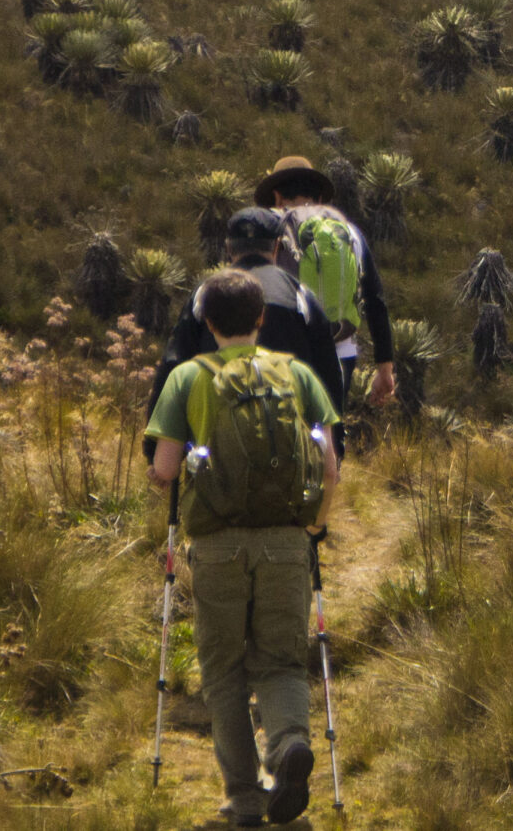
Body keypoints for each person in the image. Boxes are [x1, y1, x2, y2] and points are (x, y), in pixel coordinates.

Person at [147, 267, 340, 827]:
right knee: (280, 661)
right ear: (260, 318)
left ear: (205, 321)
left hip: (217, 545)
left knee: (225, 671)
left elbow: (162, 469)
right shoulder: (297, 373)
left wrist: (181, 464)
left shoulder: (187, 377)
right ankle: (287, 747)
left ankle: (244, 800)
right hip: (286, 540)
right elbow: (329, 462)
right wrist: (314, 524)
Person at [147, 208, 344, 427]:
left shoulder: (206, 293)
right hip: (287, 436)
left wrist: (154, 448)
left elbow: (174, 361)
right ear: (278, 246)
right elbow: (328, 371)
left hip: (217, 435)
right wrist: (335, 441)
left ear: (228, 248)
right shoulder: (298, 294)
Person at [254, 155, 395, 411]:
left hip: (281, 356)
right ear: (319, 197)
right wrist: (385, 366)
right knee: (330, 433)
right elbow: (375, 299)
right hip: (339, 353)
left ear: (276, 197)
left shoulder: (267, 233)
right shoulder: (349, 233)